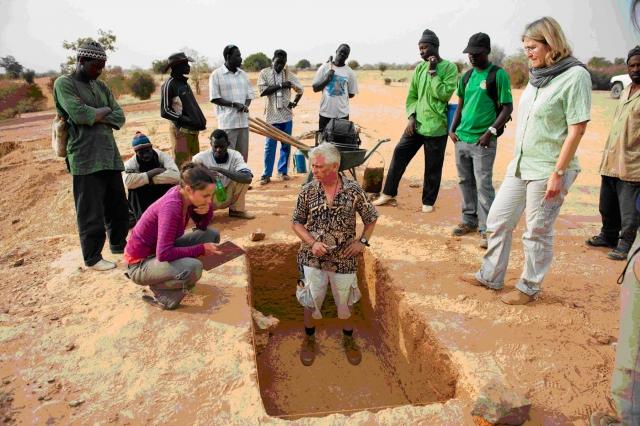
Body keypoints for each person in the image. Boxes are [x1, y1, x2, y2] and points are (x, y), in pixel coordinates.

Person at [461, 17, 591, 305]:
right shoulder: (536, 76)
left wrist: (559, 172)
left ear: (551, 43)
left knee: (537, 231)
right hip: (521, 165)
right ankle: (490, 275)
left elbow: (577, 129)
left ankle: (529, 287)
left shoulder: (575, 76)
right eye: (525, 48)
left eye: (532, 47)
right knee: (497, 219)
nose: (528, 53)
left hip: (549, 168)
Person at [291, 143, 378, 367]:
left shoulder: (354, 190)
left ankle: (349, 340)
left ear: (334, 166)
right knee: (311, 300)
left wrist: (362, 242)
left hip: (344, 258)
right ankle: (309, 338)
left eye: (319, 166)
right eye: (313, 166)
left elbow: (371, 218)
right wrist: (312, 243)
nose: (314, 170)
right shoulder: (308, 190)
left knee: (345, 301)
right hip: (312, 258)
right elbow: (296, 223)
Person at [53, 40, 128, 271]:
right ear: (82, 61)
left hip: (109, 155)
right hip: (85, 157)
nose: (100, 70)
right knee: (90, 211)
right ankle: (93, 258)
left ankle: (118, 246)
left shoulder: (101, 87)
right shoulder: (65, 83)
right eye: (97, 65)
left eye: (103, 65)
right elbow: (79, 115)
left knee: (118, 207)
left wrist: (98, 114)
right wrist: (103, 112)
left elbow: (120, 116)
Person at [373, 29, 458, 213]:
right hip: (417, 124)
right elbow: (412, 96)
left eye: (425, 47)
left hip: (437, 126)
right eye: (419, 48)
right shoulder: (419, 68)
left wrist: (433, 72)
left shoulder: (450, 68)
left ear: (435, 47)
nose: (421, 51)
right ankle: (388, 193)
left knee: (433, 166)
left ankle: (428, 202)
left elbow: (443, 95)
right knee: (399, 152)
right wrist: (411, 117)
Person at [124, 163, 222, 310]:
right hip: (140, 265)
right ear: (189, 189)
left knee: (211, 235)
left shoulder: (185, 196)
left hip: (156, 253)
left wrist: (207, 210)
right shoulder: (172, 207)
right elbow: (163, 253)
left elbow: (202, 227)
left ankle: (179, 276)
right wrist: (200, 249)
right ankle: (164, 293)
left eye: (211, 196)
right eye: (206, 196)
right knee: (194, 267)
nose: (209, 200)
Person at [449, 33, 513, 248]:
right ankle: (469, 220)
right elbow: (460, 104)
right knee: (464, 181)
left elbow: (507, 107)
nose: (472, 57)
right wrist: (452, 128)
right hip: (461, 138)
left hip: (482, 141)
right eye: (469, 53)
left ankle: (487, 229)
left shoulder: (498, 75)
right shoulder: (466, 77)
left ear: (486, 52)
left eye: (476, 53)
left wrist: (491, 132)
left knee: (483, 186)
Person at [586, 46, 640, 261]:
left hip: (632, 162)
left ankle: (626, 244)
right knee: (607, 204)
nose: (635, 69)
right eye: (632, 65)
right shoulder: (626, 89)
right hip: (612, 158)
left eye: (639, 65)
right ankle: (608, 236)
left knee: (629, 210)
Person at [257, 49, 304, 185]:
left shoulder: (288, 74)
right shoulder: (264, 73)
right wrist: (280, 85)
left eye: (283, 63)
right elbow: (262, 91)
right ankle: (266, 175)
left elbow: (300, 89)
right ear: (273, 60)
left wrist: (295, 102)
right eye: (278, 62)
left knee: (286, 145)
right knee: (269, 146)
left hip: (286, 115)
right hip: (271, 116)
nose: (280, 66)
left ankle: (282, 172)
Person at [193, 129, 255, 219]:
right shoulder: (199, 158)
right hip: (209, 197)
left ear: (228, 144)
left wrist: (221, 170)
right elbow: (190, 182)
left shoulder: (235, 155)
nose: (218, 150)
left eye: (222, 147)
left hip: (228, 194)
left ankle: (236, 210)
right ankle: (202, 213)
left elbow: (247, 178)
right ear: (211, 144)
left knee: (242, 179)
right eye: (215, 146)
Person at [160, 52, 207, 168]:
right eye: (186, 64)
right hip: (180, 132)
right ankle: (180, 186)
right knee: (181, 164)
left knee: (195, 162)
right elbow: (165, 110)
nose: (189, 67)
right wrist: (184, 119)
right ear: (177, 66)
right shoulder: (169, 85)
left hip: (192, 131)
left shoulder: (184, 83)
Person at [209, 45, 255, 161]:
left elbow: (249, 95)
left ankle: (240, 179)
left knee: (242, 158)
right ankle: (227, 179)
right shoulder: (216, 74)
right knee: (227, 158)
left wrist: (245, 106)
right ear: (228, 57)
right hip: (228, 124)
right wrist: (235, 105)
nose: (241, 58)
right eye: (238, 56)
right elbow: (214, 98)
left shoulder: (243, 74)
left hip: (243, 123)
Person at [124, 132, 180, 225]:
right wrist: (154, 172)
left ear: (151, 147)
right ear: (135, 153)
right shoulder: (131, 163)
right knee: (133, 190)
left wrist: (149, 180)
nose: (145, 155)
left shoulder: (162, 156)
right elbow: (128, 183)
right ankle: (142, 221)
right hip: (144, 196)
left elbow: (176, 176)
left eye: (147, 151)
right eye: (141, 153)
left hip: (161, 191)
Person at [312, 44, 358, 132]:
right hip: (325, 114)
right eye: (341, 52)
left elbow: (351, 94)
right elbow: (315, 88)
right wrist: (327, 78)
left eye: (345, 53)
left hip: (342, 115)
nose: (342, 54)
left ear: (347, 56)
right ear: (336, 51)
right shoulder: (324, 67)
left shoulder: (350, 72)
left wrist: (339, 95)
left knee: (340, 142)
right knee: (323, 142)